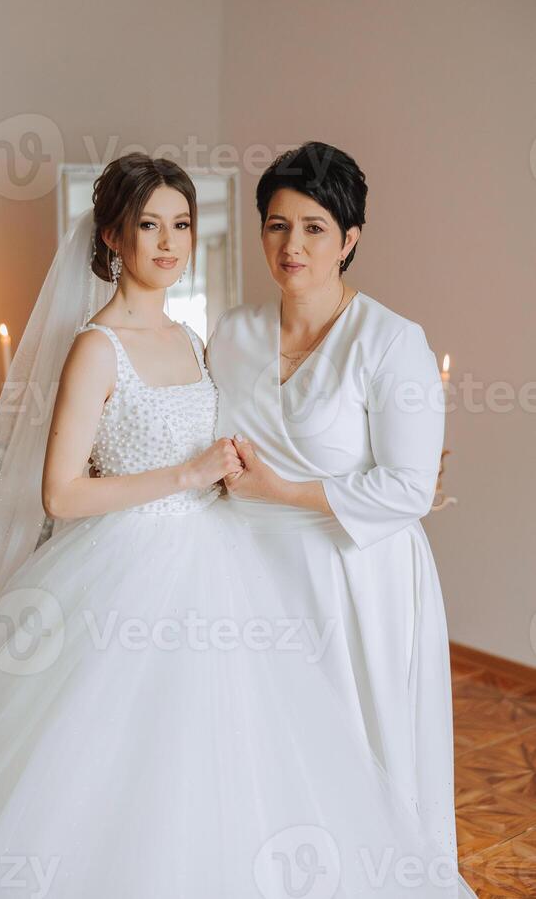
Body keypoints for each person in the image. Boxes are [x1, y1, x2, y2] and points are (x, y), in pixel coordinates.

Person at [0, 153, 464, 898]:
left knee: (251, 751)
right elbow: (61, 493)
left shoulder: (198, 339)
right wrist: (191, 477)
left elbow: (375, 477)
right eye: (147, 225)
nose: (167, 241)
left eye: (181, 225)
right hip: (134, 569)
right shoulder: (117, 345)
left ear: (350, 238)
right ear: (111, 240)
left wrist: (254, 484)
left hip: (236, 563)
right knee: (112, 753)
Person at [205, 140, 478, 898]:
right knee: (265, 749)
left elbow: (408, 488)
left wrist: (283, 493)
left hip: (358, 579)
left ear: (350, 239)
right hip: (249, 574)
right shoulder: (230, 335)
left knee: (360, 747)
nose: (292, 246)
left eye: (315, 227)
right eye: (277, 225)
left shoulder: (393, 343)